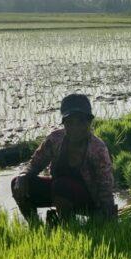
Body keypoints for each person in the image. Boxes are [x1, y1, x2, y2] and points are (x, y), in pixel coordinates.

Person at [11, 93, 116, 225]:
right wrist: (23, 175)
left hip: (87, 199)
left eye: (81, 122)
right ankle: (35, 226)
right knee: (17, 183)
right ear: (64, 123)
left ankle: (67, 227)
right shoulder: (55, 139)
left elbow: (105, 185)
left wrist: (107, 214)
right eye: (70, 122)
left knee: (61, 185)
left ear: (89, 122)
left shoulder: (98, 148)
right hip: (58, 192)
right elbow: (34, 164)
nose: (75, 128)